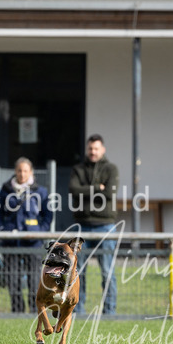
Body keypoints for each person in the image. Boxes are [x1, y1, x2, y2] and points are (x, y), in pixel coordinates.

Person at [69, 134, 119, 316]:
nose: (93, 152)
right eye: (90, 148)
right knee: (78, 272)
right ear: (87, 149)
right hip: (82, 226)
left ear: (102, 149)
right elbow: (74, 190)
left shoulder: (111, 169)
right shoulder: (78, 169)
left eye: (96, 148)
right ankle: (78, 310)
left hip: (105, 226)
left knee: (107, 271)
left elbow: (110, 194)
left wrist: (86, 192)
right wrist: (98, 188)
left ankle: (109, 312)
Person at [0, 157, 52, 314]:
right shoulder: (5, 190)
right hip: (11, 242)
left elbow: (48, 215)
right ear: (15, 171)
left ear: (31, 172)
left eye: (25, 171)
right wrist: (1, 229)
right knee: (12, 278)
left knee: (34, 278)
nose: (22, 174)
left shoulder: (40, 191)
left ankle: (34, 311)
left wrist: (40, 232)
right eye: (19, 170)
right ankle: (17, 311)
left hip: (33, 242)